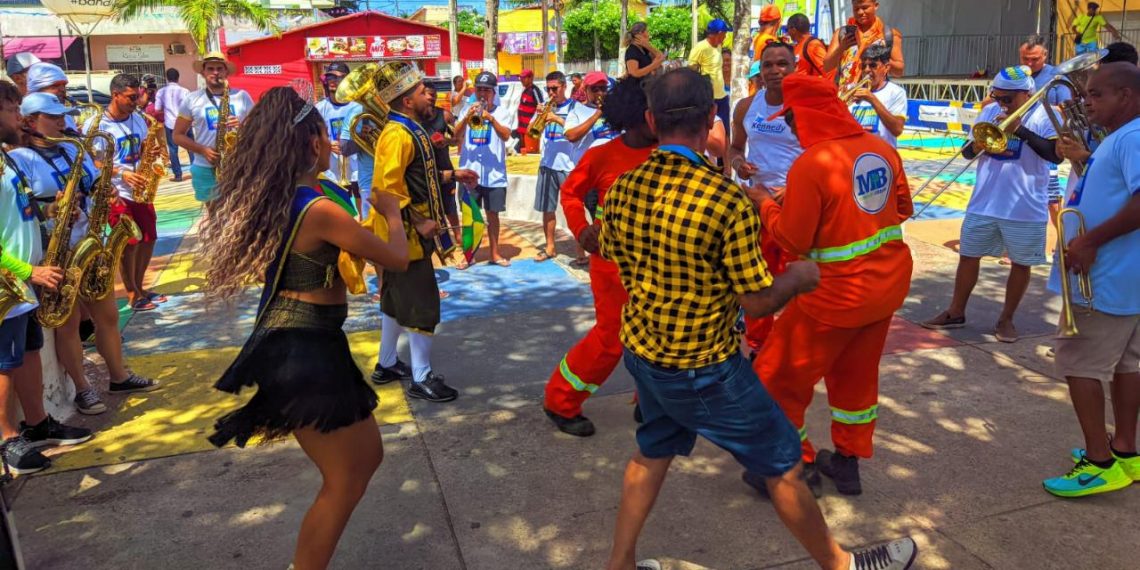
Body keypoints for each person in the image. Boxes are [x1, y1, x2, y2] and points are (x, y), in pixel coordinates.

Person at [599, 68, 917, 570]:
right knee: (784, 467)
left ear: (649, 120)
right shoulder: (725, 200)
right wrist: (800, 279)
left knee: (651, 453)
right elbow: (757, 302)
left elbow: (616, 256)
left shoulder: (621, 189)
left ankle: (619, 564)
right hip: (705, 366)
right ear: (711, 121)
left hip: (644, 353)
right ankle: (842, 566)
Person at [199, 86, 410, 568]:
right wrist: (393, 212)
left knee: (364, 459)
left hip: (302, 342)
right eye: (326, 135)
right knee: (345, 479)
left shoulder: (276, 199)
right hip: (303, 349)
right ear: (313, 142)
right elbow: (396, 259)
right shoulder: (318, 209)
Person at [742, 73, 914, 498]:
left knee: (775, 378)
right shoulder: (880, 151)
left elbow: (792, 240)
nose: (790, 127)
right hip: (886, 287)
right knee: (855, 378)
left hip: (833, 296)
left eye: (791, 118)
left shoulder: (812, 164)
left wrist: (764, 202)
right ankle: (847, 462)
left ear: (809, 114)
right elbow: (903, 208)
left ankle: (794, 465)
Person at [11, 92, 160, 415]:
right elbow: (23, 205)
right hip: (55, 250)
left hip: (87, 243)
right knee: (67, 322)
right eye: (53, 118)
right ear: (30, 122)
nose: (62, 123)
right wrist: (51, 208)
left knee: (107, 315)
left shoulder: (70, 148)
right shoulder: (20, 158)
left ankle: (118, 376)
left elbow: (93, 183)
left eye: (63, 117)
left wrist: (104, 192)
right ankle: (82, 389)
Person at [1043, 63, 1140, 498]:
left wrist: (1089, 242)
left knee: (1078, 360)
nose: (1087, 102)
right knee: (1128, 364)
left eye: (1097, 94)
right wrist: (1083, 160)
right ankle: (1124, 451)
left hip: (1105, 276)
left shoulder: (1134, 136)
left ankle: (1099, 461)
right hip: (1122, 276)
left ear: (1126, 95)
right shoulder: (1121, 138)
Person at [542, 78, 656, 437]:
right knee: (611, 339)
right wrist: (581, 229)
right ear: (643, 116)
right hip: (612, 265)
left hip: (659, 265)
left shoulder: (672, 153)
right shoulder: (602, 155)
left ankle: (651, 401)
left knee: (656, 334)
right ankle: (560, 400)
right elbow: (570, 194)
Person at [921, 66, 1062, 343]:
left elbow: (1054, 156)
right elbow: (965, 152)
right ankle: (956, 311)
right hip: (984, 202)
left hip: (1025, 205)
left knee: (1021, 264)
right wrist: (976, 146)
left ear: (1027, 94)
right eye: (997, 97)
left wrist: (1019, 129)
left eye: (1008, 99)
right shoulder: (989, 112)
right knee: (968, 256)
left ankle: (1006, 319)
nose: (1002, 104)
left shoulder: (1045, 116)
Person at [368, 62, 478, 402]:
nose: (428, 96)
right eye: (420, 92)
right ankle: (422, 376)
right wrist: (418, 222)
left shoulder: (408, 129)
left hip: (408, 234)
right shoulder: (398, 134)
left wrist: (452, 175)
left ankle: (387, 363)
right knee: (422, 305)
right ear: (405, 101)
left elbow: (417, 178)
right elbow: (383, 192)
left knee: (394, 300)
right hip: (406, 237)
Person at [0, 80, 92, 475]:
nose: (18, 117)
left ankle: (37, 423)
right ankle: (7, 440)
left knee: (29, 352)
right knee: (4, 362)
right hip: (11, 281)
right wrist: (29, 270)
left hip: (24, 283)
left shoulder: (5, 160)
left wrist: (54, 215)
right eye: (11, 108)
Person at [730, 42, 803, 358]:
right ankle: (760, 347)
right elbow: (734, 148)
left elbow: (826, 154)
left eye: (782, 64)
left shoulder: (808, 108)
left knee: (800, 282)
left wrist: (799, 185)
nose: (775, 70)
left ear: (794, 66)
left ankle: (795, 344)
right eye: (769, 64)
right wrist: (738, 164)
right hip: (757, 207)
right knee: (756, 281)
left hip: (798, 209)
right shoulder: (747, 107)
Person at [85, 74, 165, 313]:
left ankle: (141, 287)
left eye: (137, 96)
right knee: (129, 242)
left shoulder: (138, 119)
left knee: (149, 237)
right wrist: (121, 173)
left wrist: (152, 153)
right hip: (115, 191)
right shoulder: (97, 124)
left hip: (140, 189)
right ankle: (131, 292)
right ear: (115, 95)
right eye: (131, 97)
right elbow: (92, 162)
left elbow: (141, 148)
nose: (136, 101)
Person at [172, 52, 255, 203]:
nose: (215, 72)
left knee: (239, 215)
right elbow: (177, 136)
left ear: (226, 72)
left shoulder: (242, 96)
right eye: (210, 69)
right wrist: (202, 150)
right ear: (203, 72)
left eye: (219, 68)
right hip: (205, 167)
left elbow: (259, 129)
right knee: (213, 216)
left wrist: (242, 126)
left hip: (238, 166)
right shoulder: (192, 99)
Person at [456, 71, 516, 267]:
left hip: (494, 175)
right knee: (469, 215)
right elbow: (454, 135)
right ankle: (468, 256)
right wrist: (466, 117)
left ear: (493, 92)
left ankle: (494, 254)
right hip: (469, 173)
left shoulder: (502, 112)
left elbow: (506, 136)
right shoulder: (467, 108)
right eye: (479, 89)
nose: (482, 94)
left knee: (493, 215)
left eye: (487, 91)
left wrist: (491, 118)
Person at [1019, 34, 1073, 225]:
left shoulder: (1056, 75)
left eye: (1035, 59)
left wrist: (1037, 107)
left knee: (1051, 199)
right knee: (1016, 196)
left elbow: (1067, 107)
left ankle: (1062, 243)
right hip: (1017, 142)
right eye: (1025, 58)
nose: (1030, 63)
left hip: (1045, 143)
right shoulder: (1015, 74)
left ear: (1045, 56)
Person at [532, 71, 583, 262]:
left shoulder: (575, 107)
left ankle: (580, 250)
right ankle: (550, 247)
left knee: (574, 208)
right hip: (547, 164)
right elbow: (531, 132)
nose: (551, 92)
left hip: (568, 166)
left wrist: (556, 119)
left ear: (564, 87)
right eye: (548, 89)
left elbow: (576, 133)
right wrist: (540, 116)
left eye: (554, 88)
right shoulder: (545, 106)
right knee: (547, 208)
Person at [824, 0, 905, 89]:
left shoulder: (889, 34)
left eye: (865, 8)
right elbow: (826, 67)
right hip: (847, 97)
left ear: (876, 6)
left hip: (876, 97)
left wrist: (880, 55)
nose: (860, 12)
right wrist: (841, 48)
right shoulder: (843, 34)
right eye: (856, 9)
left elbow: (899, 72)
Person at [316, 63, 362, 213]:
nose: (334, 80)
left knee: (363, 213)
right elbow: (311, 138)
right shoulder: (319, 108)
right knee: (340, 212)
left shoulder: (358, 107)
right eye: (330, 76)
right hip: (332, 170)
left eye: (340, 77)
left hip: (357, 168)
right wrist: (328, 144)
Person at [422, 82, 463, 253]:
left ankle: (458, 237)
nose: (430, 97)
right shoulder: (415, 117)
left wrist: (446, 141)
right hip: (425, 171)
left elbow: (457, 138)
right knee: (428, 207)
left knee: (450, 207)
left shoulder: (445, 115)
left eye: (433, 94)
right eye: (427, 94)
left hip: (446, 167)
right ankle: (434, 242)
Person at [847, 45, 907, 148]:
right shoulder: (852, 90)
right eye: (863, 66)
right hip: (855, 155)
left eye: (872, 65)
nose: (866, 70)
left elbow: (897, 129)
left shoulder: (896, 92)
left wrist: (872, 99)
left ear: (886, 68)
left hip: (882, 157)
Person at [689, 19, 731, 128]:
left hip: (722, 97)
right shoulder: (700, 47)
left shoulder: (718, 46)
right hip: (708, 98)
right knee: (708, 130)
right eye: (724, 34)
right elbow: (691, 71)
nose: (725, 37)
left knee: (726, 129)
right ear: (719, 33)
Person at [155, 67, 192, 183]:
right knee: (191, 148)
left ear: (167, 78)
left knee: (173, 149)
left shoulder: (161, 92)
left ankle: (178, 175)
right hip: (184, 122)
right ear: (178, 78)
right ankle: (197, 172)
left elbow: (157, 109)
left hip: (170, 123)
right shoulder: (185, 91)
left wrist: (167, 110)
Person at [789, 13, 833, 81]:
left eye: (787, 29)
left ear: (793, 30)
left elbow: (828, 71)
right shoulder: (797, 46)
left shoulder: (812, 45)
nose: (787, 33)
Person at [515, 69, 544, 152]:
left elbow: (541, 108)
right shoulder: (525, 90)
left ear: (531, 78)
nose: (521, 80)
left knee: (531, 153)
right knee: (523, 153)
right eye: (520, 78)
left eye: (524, 78)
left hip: (530, 130)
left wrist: (532, 124)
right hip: (522, 128)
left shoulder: (534, 90)